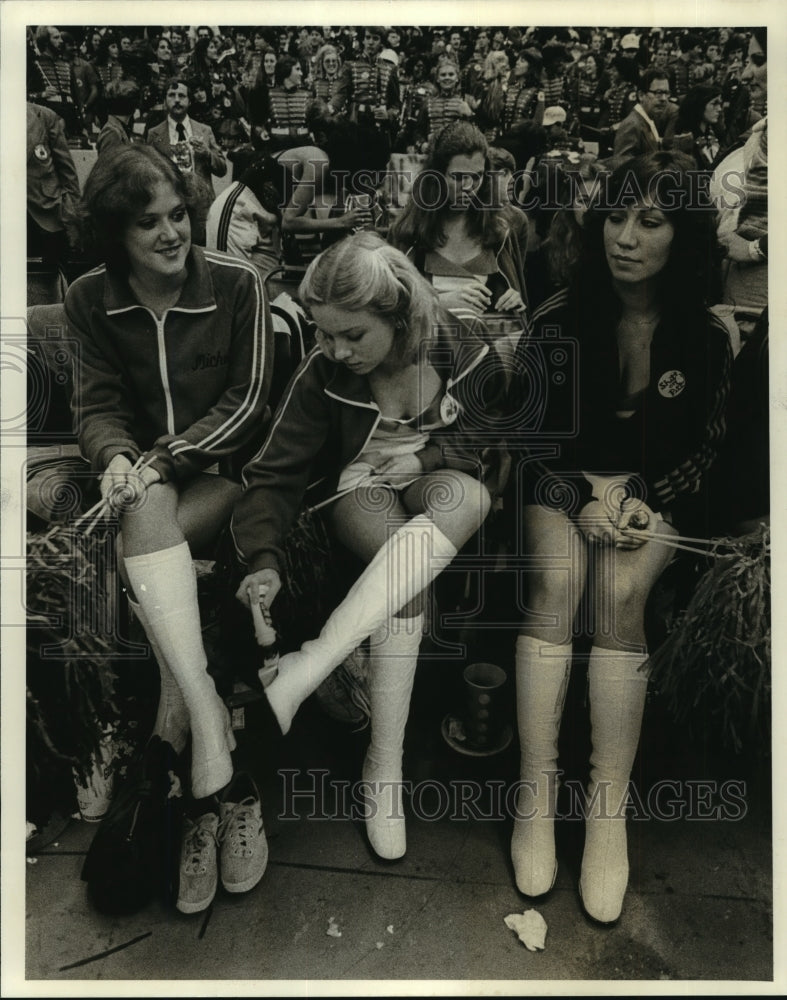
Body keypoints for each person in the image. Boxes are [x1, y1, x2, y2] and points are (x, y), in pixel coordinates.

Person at [508, 150, 732, 924]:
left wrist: (644, 499)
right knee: (558, 585)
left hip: (646, 499)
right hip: (561, 486)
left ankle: (607, 808)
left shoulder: (703, 334)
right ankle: (535, 789)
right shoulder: (560, 317)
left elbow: (707, 448)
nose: (624, 237)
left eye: (650, 220)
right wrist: (578, 497)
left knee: (619, 591)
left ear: (685, 236)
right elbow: (530, 441)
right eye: (615, 215)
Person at [231, 231, 506, 860]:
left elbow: (492, 444)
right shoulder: (323, 369)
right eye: (324, 333)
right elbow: (275, 472)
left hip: (440, 482)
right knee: (405, 580)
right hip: (363, 485)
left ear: (399, 314)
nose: (335, 349)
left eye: (352, 335)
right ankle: (384, 771)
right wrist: (264, 557)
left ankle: (316, 662)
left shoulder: (462, 348)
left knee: (469, 498)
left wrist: (429, 456)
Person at [65, 145, 273, 820]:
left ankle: (169, 717)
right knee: (145, 522)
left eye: (178, 213)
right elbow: (96, 406)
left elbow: (246, 405)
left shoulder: (240, 283)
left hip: (229, 472)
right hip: (151, 478)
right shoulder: (89, 297)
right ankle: (205, 712)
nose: (171, 233)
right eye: (147, 222)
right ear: (114, 235)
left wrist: (156, 461)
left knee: (138, 549)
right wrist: (118, 459)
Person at [389, 120, 528, 321]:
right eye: (458, 177)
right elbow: (387, 309)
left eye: (477, 176)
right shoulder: (408, 231)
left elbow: (517, 306)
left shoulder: (500, 229)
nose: (469, 187)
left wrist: (513, 302)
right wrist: (438, 303)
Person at [146, 77, 228, 245]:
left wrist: (207, 154)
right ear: (164, 101)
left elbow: (222, 169)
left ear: (190, 101)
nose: (177, 100)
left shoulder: (205, 130)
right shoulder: (154, 134)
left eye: (182, 96)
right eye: (172, 95)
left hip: (201, 210)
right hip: (168, 208)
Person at [26, 100, 81, 278]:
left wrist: (73, 217)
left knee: (53, 280)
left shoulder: (44, 116)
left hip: (47, 214)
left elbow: (67, 171)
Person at [675, 84, 725, 170]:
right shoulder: (685, 139)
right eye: (714, 104)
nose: (719, 109)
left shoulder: (713, 133)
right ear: (699, 105)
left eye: (720, 104)